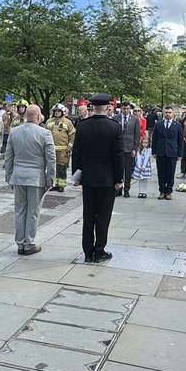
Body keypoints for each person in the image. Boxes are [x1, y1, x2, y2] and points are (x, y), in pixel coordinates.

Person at [71, 93, 123, 263]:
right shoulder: (114, 127)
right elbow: (118, 156)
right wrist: (119, 179)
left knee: (88, 215)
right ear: (108, 108)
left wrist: (76, 175)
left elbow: (77, 152)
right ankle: (99, 250)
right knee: (103, 216)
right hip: (107, 179)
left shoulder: (82, 126)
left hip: (88, 176)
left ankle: (87, 252)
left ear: (92, 107)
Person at [5, 103, 56, 255]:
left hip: (18, 177)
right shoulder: (45, 133)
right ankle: (29, 243)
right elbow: (51, 159)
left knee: (19, 210)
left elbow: (9, 156)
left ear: (26, 116)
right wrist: (50, 179)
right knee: (33, 211)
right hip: (36, 178)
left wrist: (9, 176)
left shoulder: (14, 132)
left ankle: (20, 243)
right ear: (39, 117)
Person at [151, 105, 185, 200]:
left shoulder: (177, 125)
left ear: (173, 113)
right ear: (163, 113)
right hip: (161, 152)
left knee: (170, 173)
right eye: (166, 112)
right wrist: (154, 151)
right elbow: (154, 139)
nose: (168, 114)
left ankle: (169, 191)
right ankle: (162, 191)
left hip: (172, 152)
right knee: (161, 173)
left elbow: (180, 140)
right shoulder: (158, 124)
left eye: (170, 112)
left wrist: (180, 154)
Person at [45, 104, 75, 191]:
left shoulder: (67, 122)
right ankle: (55, 184)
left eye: (59, 111)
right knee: (52, 168)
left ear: (62, 112)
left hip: (63, 151)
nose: (57, 113)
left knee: (61, 168)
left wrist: (69, 148)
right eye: (56, 111)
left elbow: (72, 135)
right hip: (51, 150)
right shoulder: (49, 121)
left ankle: (61, 186)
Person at [113, 101, 141, 197]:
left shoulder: (134, 119)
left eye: (128, 108)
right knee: (118, 169)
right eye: (124, 108)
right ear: (121, 108)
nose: (126, 110)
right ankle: (118, 188)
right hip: (118, 148)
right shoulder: (115, 118)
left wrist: (135, 149)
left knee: (128, 170)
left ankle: (127, 189)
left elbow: (137, 135)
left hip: (129, 148)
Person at [133, 134, 153, 198]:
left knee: (145, 180)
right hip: (139, 166)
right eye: (143, 143)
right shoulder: (139, 150)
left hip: (145, 167)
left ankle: (144, 192)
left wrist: (144, 167)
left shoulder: (149, 150)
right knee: (140, 180)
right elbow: (138, 158)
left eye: (146, 143)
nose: (144, 144)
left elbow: (146, 158)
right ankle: (140, 192)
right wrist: (139, 166)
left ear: (148, 143)